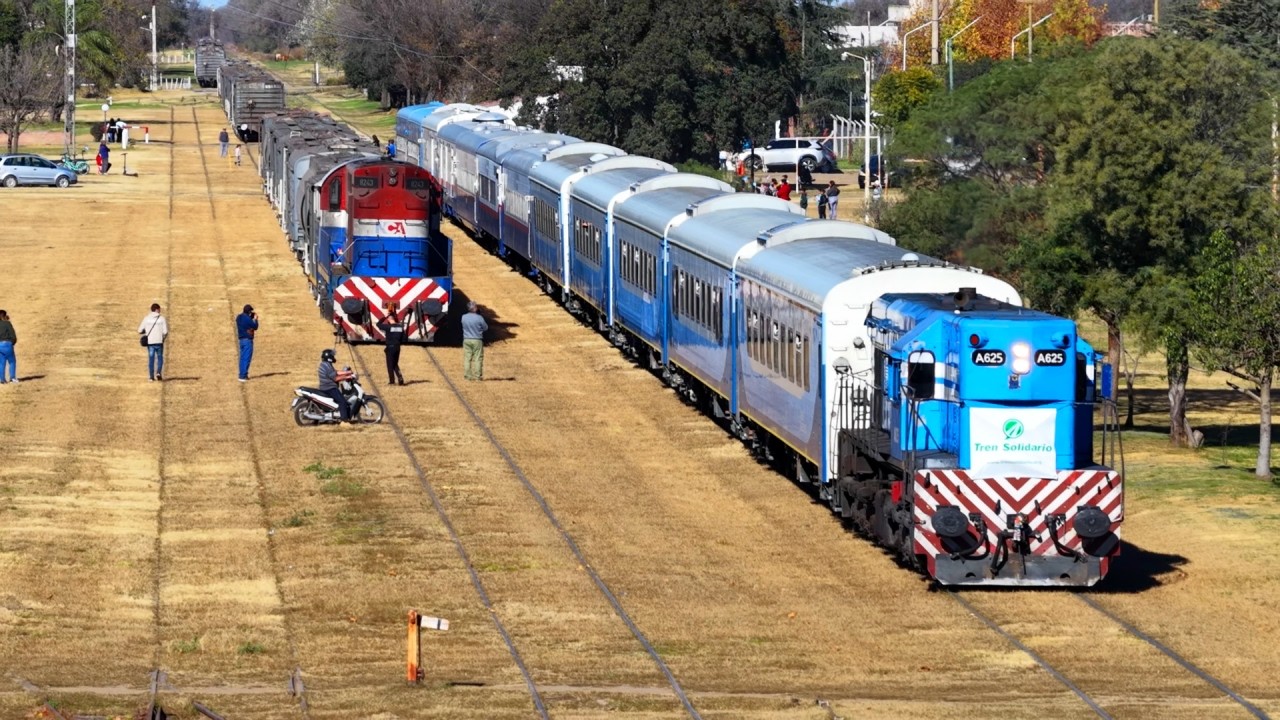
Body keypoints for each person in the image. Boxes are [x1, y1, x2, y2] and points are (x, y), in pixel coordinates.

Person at [317, 348, 351, 422]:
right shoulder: (327, 366)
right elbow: (335, 378)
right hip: (329, 388)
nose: (333, 357)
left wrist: (347, 372)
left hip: (326, 387)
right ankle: (344, 420)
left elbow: (335, 372)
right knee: (342, 401)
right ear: (329, 357)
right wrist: (347, 377)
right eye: (332, 356)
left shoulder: (325, 364)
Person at [377, 302, 407, 385]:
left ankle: (392, 381)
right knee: (395, 364)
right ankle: (400, 378)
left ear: (389, 319)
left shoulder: (388, 327)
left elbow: (378, 324)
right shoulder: (400, 327)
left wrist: (384, 317)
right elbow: (404, 339)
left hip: (390, 347)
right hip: (397, 347)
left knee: (390, 365)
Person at [138, 303, 169, 381]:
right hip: (159, 341)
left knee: (151, 359)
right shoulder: (162, 319)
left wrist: (146, 331)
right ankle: (158, 372)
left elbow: (139, 330)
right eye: (159, 309)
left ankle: (151, 377)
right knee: (160, 357)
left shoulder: (146, 318)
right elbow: (165, 332)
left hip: (150, 342)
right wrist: (163, 339)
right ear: (157, 309)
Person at [461, 301, 488, 381]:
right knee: (477, 358)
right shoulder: (479, 318)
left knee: (467, 358)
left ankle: (467, 376)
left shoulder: (463, 317)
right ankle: (477, 376)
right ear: (475, 308)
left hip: (466, 339)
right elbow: (485, 328)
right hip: (477, 339)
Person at [236, 304, 258, 381]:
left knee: (242, 358)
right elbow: (255, 326)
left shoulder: (238, 317)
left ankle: (242, 374)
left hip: (241, 339)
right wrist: (255, 319)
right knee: (246, 358)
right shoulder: (247, 319)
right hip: (247, 340)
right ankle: (243, 376)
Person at [0, 309, 17, 385]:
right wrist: (12, 343)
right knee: (12, 361)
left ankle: (2, 379)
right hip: (7, 344)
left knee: (1, 363)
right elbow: (13, 335)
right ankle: (12, 377)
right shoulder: (7, 323)